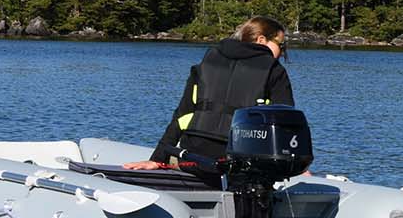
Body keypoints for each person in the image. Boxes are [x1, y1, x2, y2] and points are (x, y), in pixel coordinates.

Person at [125, 17, 294, 170]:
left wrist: (157, 159)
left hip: (193, 156)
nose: (283, 51)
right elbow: (285, 123)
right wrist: (295, 166)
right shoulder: (274, 70)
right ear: (261, 39)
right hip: (238, 162)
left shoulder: (208, 61)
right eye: (281, 45)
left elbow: (183, 115)